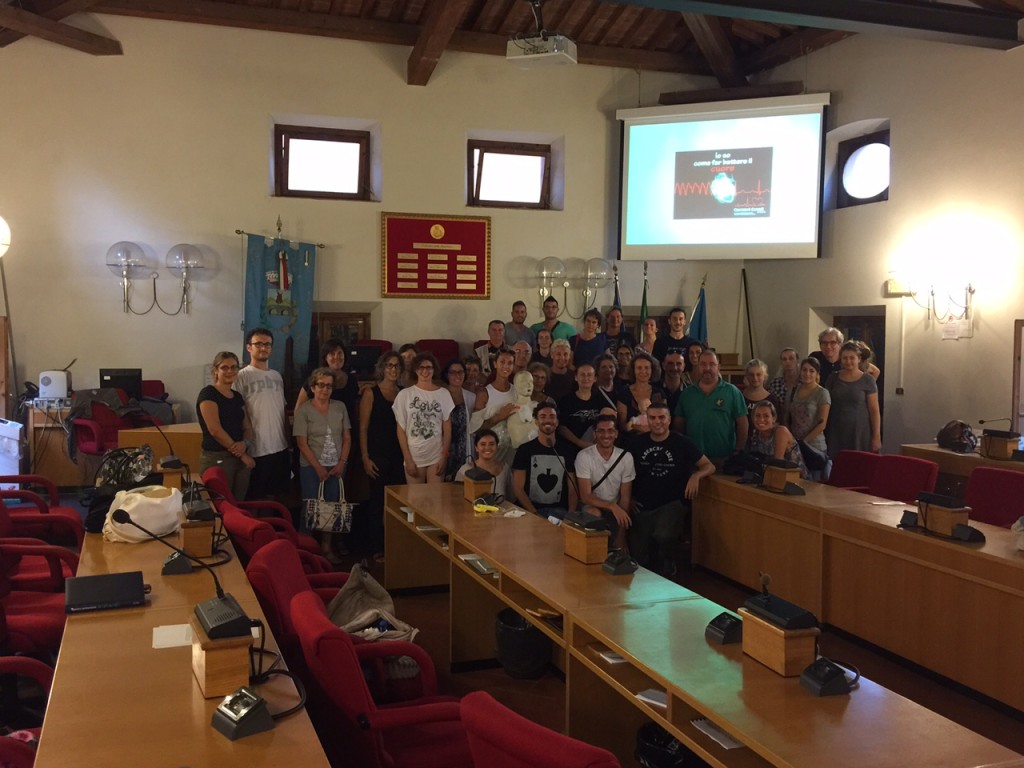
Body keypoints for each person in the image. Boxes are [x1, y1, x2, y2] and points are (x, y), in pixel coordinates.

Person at [629, 403, 714, 577]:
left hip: (671, 503)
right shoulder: (637, 443)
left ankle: (668, 561)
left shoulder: (682, 442)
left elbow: (708, 466)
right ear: (647, 420)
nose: (657, 422)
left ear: (669, 420)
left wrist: (696, 476)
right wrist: (627, 498)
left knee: (663, 535)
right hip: (642, 505)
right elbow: (624, 474)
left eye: (661, 417)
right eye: (652, 418)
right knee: (638, 555)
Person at [293, 367, 352, 556]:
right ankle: (305, 549)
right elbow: (302, 443)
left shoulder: (339, 407)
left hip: (336, 466)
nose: (325, 389)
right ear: (312, 387)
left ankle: (327, 548)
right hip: (311, 466)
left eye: (329, 386)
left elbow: (347, 437)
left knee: (331, 507)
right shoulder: (304, 410)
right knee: (310, 507)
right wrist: (317, 468)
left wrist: (342, 462)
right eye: (321, 385)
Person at [234, 327, 289, 501]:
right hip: (257, 448)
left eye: (267, 344)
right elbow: (237, 411)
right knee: (256, 498)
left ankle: (274, 528)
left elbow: (282, 409)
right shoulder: (241, 376)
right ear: (249, 347)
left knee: (277, 496)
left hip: (280, 446)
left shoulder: (277, 376)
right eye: (258, 344)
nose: (263, 347)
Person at [359, 351, 404, 558]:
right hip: (377, 455)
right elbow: (363, 428)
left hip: (400, 455)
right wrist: (365, 457)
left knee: (397, 504)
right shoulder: (371, 393)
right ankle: (376, 547)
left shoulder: (404, 393)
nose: (393, 369)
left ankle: (394, 545)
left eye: (396, 366)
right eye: (389, 365)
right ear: (382, 368)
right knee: (378, 502)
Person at [197, 351, 254, 500]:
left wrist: (245, 443)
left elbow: (247, 427)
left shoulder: (237, 397)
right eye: (224, 367)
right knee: (220, 506)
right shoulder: (208, 393)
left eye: (234, 367)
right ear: (216, 370)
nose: (230, 371)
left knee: (238, 504)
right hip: (217, 458)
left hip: (240, 458)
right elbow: (214, 429)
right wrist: (242, 454)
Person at [673, 350, 748, 464]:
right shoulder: (687, 394)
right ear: (698, 366)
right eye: (703, 364)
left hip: (724, 459)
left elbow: (743, 423)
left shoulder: (732, 392)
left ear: (719, 367)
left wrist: (739, 450)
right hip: (693, 459)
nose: (707, 368)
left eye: (712, 364)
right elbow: (679, 425)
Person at [575, 414, 635, 552]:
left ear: (616, 434)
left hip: (615, 506)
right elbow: (586, 496)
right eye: (601, 431)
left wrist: (622, 535)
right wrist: (611, 506)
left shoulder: (626, 457)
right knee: (593, 513)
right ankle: (593, 552)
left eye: (610, 431)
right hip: (593, 505)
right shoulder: (584, 456)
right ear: (595, 434)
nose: (606, 435)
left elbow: (625, 496)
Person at [393, 352, 454, 484]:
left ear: (434, 370)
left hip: (436, 455)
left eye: (428, 367)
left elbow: (447, 429)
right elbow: (400, 430)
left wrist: (444, 456)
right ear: (415, 370)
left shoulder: (443, 394)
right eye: (421, 367)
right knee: (416, 499)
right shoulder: (405, 395)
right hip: (414, 455)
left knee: (436, 498)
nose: (425, 371)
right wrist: (407, 458)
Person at [512, 402, 577, 519]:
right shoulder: (525, 450)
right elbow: (518, 488)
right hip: (531, 511)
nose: (548, 420)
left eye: (552, 417)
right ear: (536, 421)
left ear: (557, 422)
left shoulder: (567, 450)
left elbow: (572, 487)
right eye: (542, 417)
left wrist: (571, 515)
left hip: (559, 511)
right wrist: (535, 514)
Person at [294, 339, 360, 453]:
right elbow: (299, 408)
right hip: (318, 437)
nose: (337, 357)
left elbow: (355, 408)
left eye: (340, 353)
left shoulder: (352, 380)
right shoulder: (316, 379)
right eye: (332, 354)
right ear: (326, 358)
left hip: (345, 436)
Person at [824, 341, 881, 457]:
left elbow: (874, 411)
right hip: (837, 430)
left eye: (852, 358)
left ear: (859, 359)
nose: (848, 361)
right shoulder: (833, 378)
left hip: (860, 432)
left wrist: (876, 436)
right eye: (845, 358)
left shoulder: (867, 380)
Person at [557, 362, 611, 464]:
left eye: (589, 375)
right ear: (576, 377)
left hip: (596, 451)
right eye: (582, 374)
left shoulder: (601, 399)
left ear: (595, 378)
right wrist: (580, 443)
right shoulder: (566, 401)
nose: (586, 378)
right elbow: (561, 428)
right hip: (572, 451)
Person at [787, 357, 832, 480]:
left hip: (814, 446)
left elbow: (822, 424)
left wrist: (804, 443)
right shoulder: (793, 390)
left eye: (811, 371)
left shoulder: (822, 393)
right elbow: (787, 417)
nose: (807, 374)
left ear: (817, 373)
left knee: (814, 485)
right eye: (804, 370)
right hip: (795, 445)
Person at [471, 349, 517, 464]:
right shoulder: (484, 394)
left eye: (510, 363)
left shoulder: (516, 392)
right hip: (491, 452)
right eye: (502, 362)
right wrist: (498, 417)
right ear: (495, 364)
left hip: (512, 449)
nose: (506, 366)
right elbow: (474, 428)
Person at [746, 401, 807, 477]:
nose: (761, 419)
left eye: (766, 416)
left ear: (774, 418)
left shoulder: (781, 431)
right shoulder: (755, 435)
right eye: (757, 416)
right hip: (770, 477)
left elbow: (778, 462)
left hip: (797, 479)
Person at [616, 352, 666, 441]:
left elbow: (664, 420)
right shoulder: (624, 393)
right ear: (633, 370)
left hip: (655, 440)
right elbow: (622, 425)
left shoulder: (659, 393)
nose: (643, 371)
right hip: (630, 441)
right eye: (639, 368)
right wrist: (639, 428)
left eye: (647, 368)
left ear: (652, 370)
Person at [442, 358, 476, 481]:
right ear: (447, 375)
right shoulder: (440, 394)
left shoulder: (471, 397)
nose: (457, 375)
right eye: (453, 372)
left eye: (460, 372)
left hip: (464, 447)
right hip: (444, 448)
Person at [455, 429, 512, 499]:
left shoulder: (505, 469)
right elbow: (457, 499)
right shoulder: (464, 471)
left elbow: (511, 499)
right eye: (483, 444)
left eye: (491, 444)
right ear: (476, 448)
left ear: (497, 446)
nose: (487, 448)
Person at [741, 359, 782, 427]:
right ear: (747, 376)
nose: (755, 378)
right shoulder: (739, 397)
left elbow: (776, 424)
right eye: (751, 374)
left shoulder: (772, 400)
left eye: (758, 374)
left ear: (765, 376)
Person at [507, 370, 539, 449]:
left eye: (531, 381)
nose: (529, 384)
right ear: (516, 385)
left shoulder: (538, 406)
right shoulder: (511, 409)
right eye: (524, 381)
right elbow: (517, 440)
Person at [767, 347, 800, 414]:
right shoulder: (774, 384)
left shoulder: (804, 383)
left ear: (797, 360)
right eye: (784, 359)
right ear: (781, 362)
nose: (787, 362)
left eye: (791, 358)